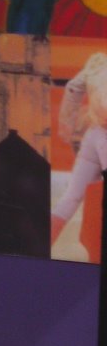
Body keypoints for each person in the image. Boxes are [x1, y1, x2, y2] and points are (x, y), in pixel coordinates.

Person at [52, 53, 107, 245]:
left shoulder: (97, 65)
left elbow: (73, 88)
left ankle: (42, 247)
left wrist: (66, 125)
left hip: (94, 135)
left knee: (71, 198)